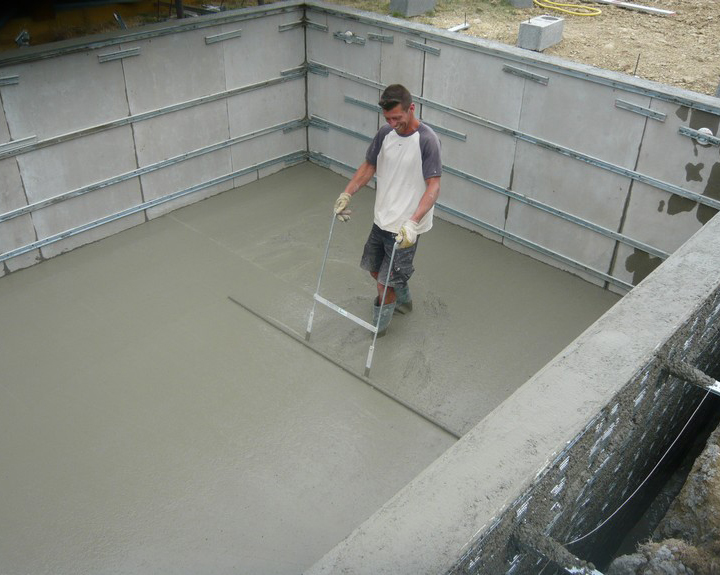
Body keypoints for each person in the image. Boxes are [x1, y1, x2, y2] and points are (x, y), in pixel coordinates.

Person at [333, 83, 442, 336]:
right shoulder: (385, 134)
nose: (393, 123)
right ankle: (402, 296)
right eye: (388, 118)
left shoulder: (427, 141)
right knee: (373, 268)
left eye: (397, 117)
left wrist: (413, 222)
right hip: (381, 220)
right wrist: (347, 193)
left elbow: (434, 187)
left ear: (411, 108)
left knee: (384, 284)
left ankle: (378, 329)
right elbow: (369, 166)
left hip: (404, 229)